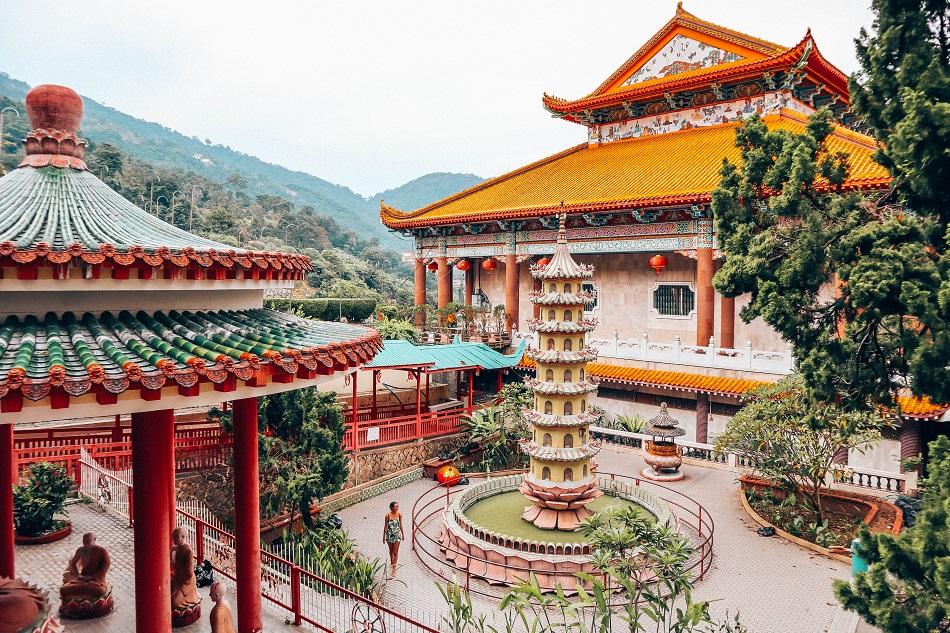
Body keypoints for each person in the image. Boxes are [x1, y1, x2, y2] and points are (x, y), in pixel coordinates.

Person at [60, 532, 111, 602]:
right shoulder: (80, 550)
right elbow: (73, 563)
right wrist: (78, 575)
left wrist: (92, 577)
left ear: (94, 540)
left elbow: (106, 565)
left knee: (100, 591)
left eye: (88, 541)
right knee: (63, 590)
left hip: (96, 580)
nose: (85, 543)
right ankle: (82, 590)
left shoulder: (101, 551)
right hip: (82, 579)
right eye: (84, 541)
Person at [170, 527, 201, 611]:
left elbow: (189, 573)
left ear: (183, 537)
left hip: (186, 581)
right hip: (177, 577)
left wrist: (177, 567)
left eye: (176, 536)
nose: (173, 538)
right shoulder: (174, 548)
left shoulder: (188, 551)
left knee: (174, 602)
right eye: (173, 536)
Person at [382, 501, 404, 578]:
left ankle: (394, 569)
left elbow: (400, 524)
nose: (397, 508)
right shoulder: (387, 516)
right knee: (391, 551)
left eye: (398, 506)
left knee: (395, 552)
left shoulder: (399, 514)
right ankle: (392, 564)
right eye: (396, 506)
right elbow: (385, 526)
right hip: (389, 535)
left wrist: (403, 534)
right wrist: (384, 537)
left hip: (397, 535)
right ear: (392, 508)